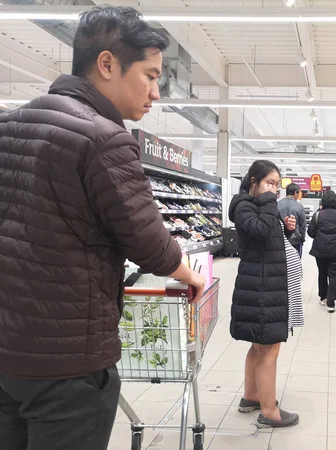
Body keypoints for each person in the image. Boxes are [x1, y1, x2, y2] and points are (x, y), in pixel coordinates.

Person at [0, 7, 206, 450]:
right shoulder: (103, 137)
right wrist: (189, 273)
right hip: (68, 363)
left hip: (9, 352)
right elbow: (149, 241)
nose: (155, 93)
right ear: (108, 64)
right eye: (149, 76)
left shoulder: (9, 125)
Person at [229, 160, 303, 429]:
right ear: (253, 181)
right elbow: (259, 231)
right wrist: (272, 201)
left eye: (277, 184)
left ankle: (251, 397)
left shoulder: (259, 206)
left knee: (258, 346)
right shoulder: (244, 205)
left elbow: (267, 237)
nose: (275, 189)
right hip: (262, 287)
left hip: (266, 283)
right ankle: (269, 411)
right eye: (269, 183)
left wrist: (287, 228)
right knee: (270, 347)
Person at [308, 190, 336, 313]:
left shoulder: (317, 215)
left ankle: (323, 297)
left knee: (322, 273)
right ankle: (331, 303)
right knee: (334, 275)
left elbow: (310, 233)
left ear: (322, 201)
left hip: (320, 250)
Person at [277, 183, 307, 256]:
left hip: (279, 241)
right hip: (295, 241)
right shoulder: (299, 207)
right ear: (295, 193)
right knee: (295, 264)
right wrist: (302, 239)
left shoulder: (277, 204)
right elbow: (302, 226)